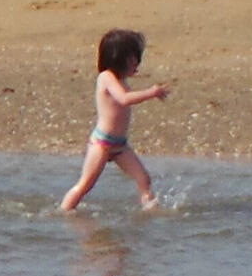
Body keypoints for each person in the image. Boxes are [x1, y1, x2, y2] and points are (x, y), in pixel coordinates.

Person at [60, 29, 170, 212]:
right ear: (117, 58)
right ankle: (64, 212)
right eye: (132, 59)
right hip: (102, 143)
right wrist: (151, 92)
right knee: (85, 184)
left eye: (137, 58)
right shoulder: (106, 77)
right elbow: (124, 99)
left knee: (144, 179)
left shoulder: (122, 80)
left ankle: (150, 210)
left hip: (119, 145)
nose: (137, 63)